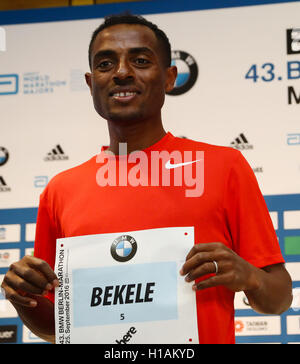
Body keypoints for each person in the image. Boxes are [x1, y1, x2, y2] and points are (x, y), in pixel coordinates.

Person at [1, 13, 292, 344]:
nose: (122, 72)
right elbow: (57, 327)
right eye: (106, 64)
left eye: (140, 60)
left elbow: (279, 298)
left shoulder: (224, 167)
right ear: (90, 82)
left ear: (169, 78)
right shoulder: (60, 190)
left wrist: (249, 277)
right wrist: (22, 297)